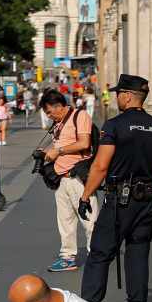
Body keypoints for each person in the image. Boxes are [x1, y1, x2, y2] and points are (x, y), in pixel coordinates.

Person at [78, 74, 152, 302]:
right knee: (138, 254)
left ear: (128, 96)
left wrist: (86, 195)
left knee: (100, 253)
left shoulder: (115, 125)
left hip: (120, 201)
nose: (117, 97)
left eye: (119, 93)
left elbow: (100, 165)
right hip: (149, 201)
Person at [40, 89, 97, 274]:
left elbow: (84, 143)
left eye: (49, 112)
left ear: (58, 106)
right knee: (65, 221)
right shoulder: (59, 123)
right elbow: (59, 145)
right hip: (61, 179)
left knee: (89, 220)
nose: (49, 116)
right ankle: (67, 257)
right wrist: (48, 152)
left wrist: (59, 151)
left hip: (78, 179)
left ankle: (96, 255)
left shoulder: (79, 116)